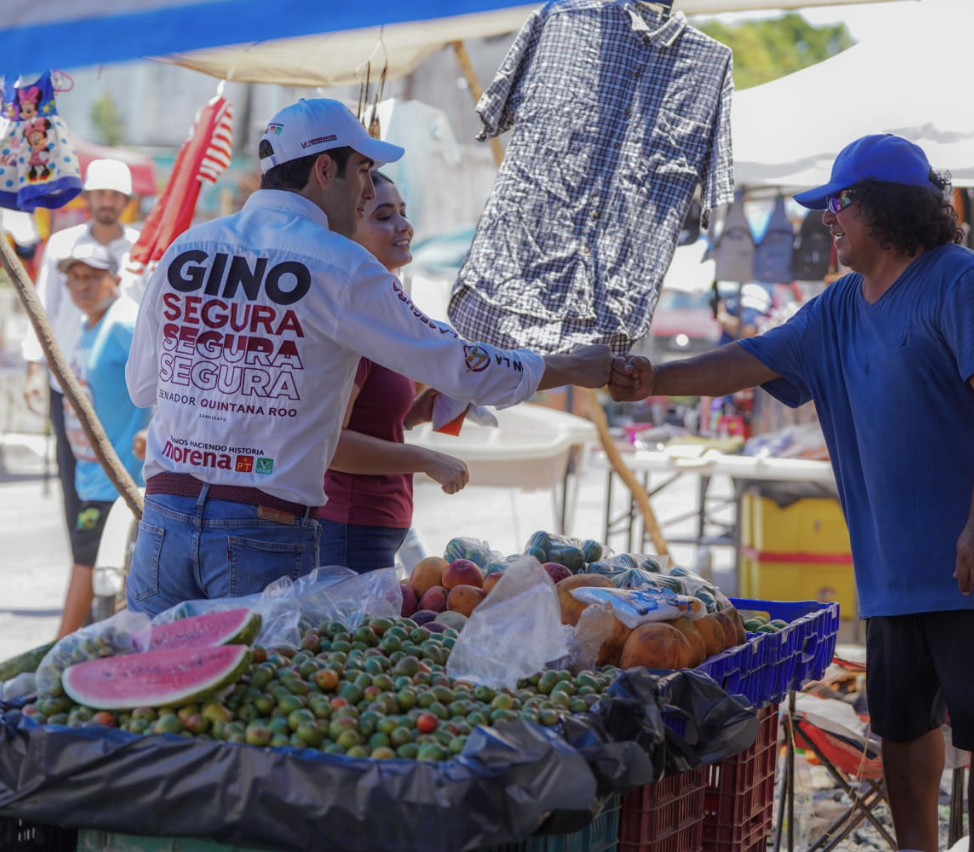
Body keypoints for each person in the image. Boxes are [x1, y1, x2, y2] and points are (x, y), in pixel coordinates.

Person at [610, 134, 974, 852]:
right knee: (904, 726)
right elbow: (748, 360)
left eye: (837, 203)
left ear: (883, 208)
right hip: (895, 567)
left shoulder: (967, 282)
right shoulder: (837, 308)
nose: (827, 219)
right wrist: (653, 380)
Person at [124, 98, 615, 616]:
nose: (365, 189)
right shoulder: (341, 265)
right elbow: (458, 365)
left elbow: (144, 387)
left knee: (150, 686)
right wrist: (564, 366)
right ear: (322, 169)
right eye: (362, 170)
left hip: (163, 516)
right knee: (251, 690)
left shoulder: (188, 248)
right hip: (260, 529)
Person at [319, 172, 469, 573]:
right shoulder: (357, 320)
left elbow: (362, 418)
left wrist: (414, 414)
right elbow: (331, 444)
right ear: (348, 235)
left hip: (375, 523)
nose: (404, 225)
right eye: (384, 216)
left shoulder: (387, 311)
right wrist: (425, 459)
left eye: (402, 212)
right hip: (347, 524)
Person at [22, 160, 138, 559]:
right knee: (77, 480)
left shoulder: (143, 249)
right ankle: (85, 566)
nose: (107, 202)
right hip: (70, 384)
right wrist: (35, 369)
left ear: (126, 200)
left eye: (114, 195)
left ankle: (122, 574)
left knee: (130, 480)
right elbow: (42, 309)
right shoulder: (62, 246)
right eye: (100, 193)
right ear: (88, 198)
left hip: (125, 390)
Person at [55, 242, 150, 637]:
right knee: (103, 568)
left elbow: (171, 373)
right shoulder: (90, 321)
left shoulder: (125, 324)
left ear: (114, 280)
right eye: (74, 278)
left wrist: (156, 426)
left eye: (92, 277)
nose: (82, 286)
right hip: (92, 470)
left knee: (86, 560)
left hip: (118, 475)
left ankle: (58, 650)